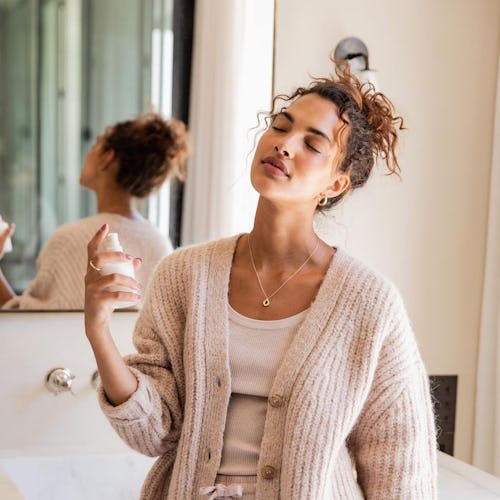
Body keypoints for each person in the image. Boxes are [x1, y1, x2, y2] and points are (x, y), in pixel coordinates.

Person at [84, 65, 437, 499]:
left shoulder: (371, 304)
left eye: (311, 143)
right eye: (280, 126)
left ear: (336, 183)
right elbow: (155, 433)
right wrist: (98, 331)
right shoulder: (184, 276)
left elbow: (401, 468)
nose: (284, 145)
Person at [0, 112, 189, 310]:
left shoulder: (68, 240)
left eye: (94, 146)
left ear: (107, 158)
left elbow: (26, 323)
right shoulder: (160, 244)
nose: (88, 154)